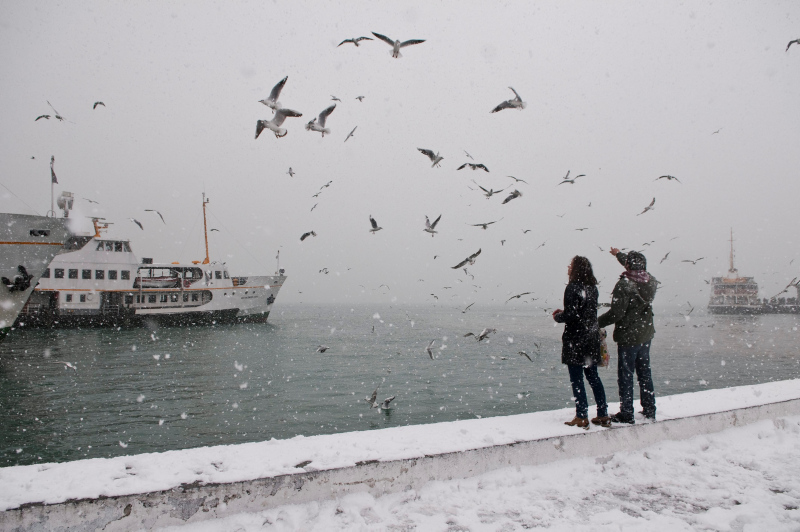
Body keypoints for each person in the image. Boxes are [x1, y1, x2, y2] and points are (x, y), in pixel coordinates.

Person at [597, 248, 658, 424]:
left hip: (629, 337)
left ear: (629, 266)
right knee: (644, 373)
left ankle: (627, 413)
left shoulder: (624, 285)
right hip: (645, 334)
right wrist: (618, 254)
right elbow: (634, 265)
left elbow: (616, 313)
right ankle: (649, 409)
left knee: (626, 375)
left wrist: (596, 323)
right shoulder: (650, 280)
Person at [552, 256, 609, 429]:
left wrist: (558, 316)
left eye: (571, 264)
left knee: (577, 379)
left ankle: (582, 416)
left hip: (576, 339)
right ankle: (603, 414)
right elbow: (584, 312)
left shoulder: (572, 287)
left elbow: (572, 314)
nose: (568, 267)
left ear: (575, 268)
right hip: (591, 337)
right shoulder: (592, 288)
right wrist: (567, 312)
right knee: (593, 377)